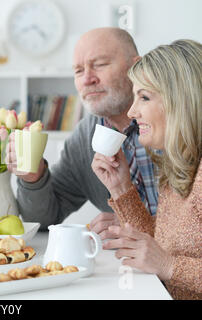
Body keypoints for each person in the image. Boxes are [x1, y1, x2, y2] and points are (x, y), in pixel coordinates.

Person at [6, 27, 159, 238]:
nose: (87, 79)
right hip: (130, 268)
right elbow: (43, 220)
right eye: (78, 71)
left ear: (136, 67)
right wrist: (34, 178)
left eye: (100, 65)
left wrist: (137, 222)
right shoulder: (84, 138)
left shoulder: (180, 121)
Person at [91, 39, 201, 300]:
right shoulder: (178, 167)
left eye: (145, 97)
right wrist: (121, 187)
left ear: (182, 101)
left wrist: (169, 266)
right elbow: (156, 248)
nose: (131, 111)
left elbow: (163, 261)